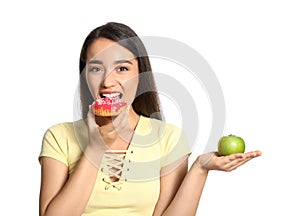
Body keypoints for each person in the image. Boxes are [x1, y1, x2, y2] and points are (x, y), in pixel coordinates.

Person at [38, 22, 262, 216]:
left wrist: (200, 169)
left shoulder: (168, 138)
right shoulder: (59, 137)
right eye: (96, 68)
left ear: (141, 75)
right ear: (85, 75)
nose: (108, 81)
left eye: (122, 68)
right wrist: (95, 148)